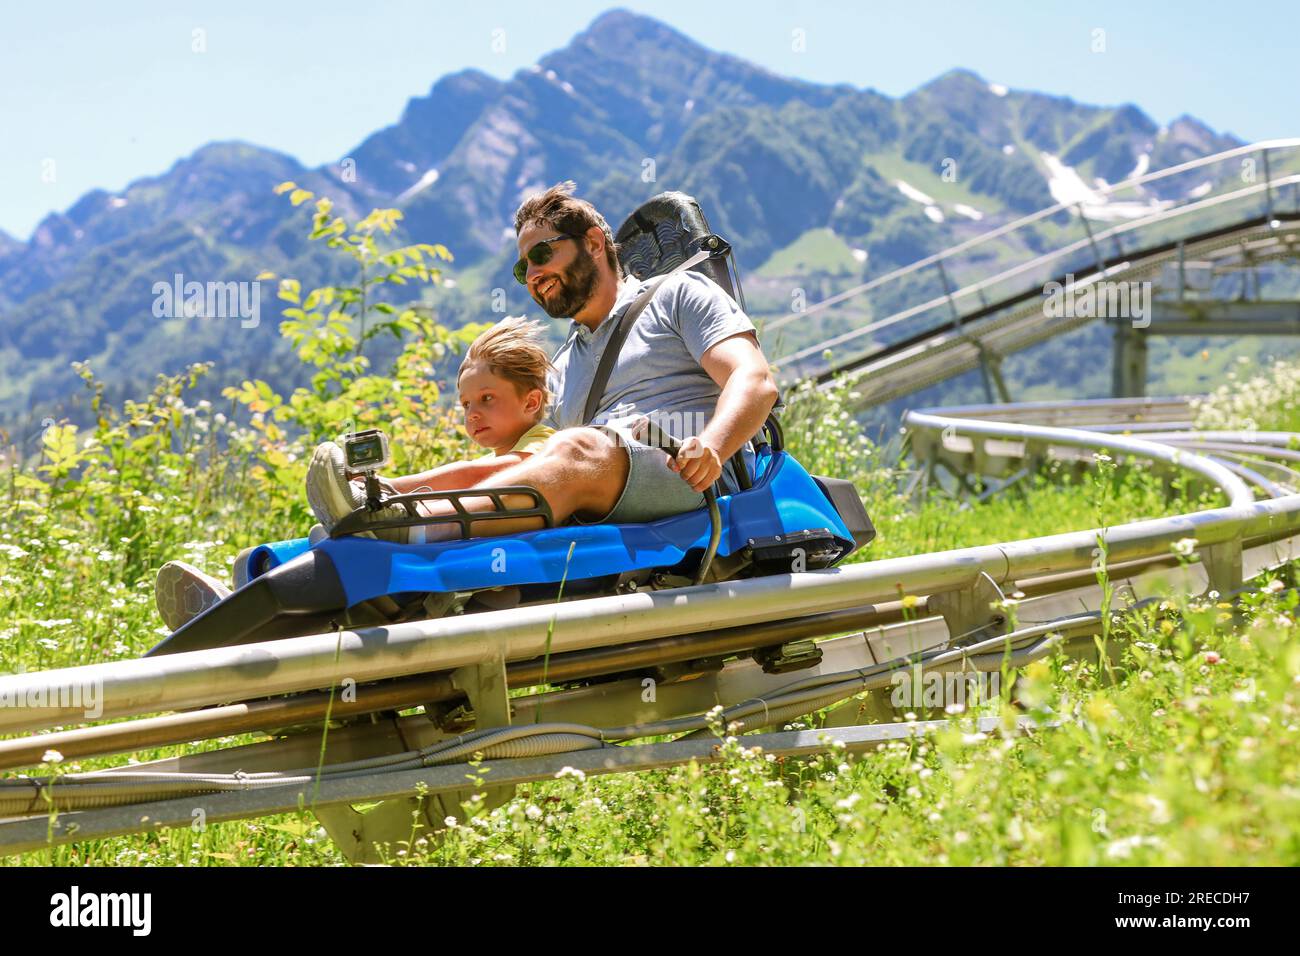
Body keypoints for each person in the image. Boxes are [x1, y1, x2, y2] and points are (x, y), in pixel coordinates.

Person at [154, 316, 557, 630]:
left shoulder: (547, 447)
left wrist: (391, 489)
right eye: (466, 404)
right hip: (450, 550)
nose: (473, 414)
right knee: (303, 548)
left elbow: (491, 472)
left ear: (531, 402)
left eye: (487, 399)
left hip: (474, 563)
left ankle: (241, 617)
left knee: (348, 553)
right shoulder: (504, 456)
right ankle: (238, 600)